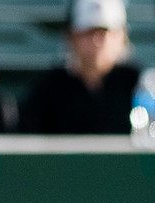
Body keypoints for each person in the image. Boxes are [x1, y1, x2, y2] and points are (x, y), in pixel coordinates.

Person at [19, 0, 140, 135]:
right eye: (88, 32)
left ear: (121, 36)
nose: (96, 41)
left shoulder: (139, 84)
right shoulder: (47, 89)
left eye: (104, 32)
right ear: (71, 36)